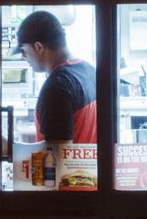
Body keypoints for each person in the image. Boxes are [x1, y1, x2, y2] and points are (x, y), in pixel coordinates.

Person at [17, 10, 97, 146]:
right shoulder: (90, 71)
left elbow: (57, 156)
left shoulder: (57, 87)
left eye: (24, 50)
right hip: (89, 167)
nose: (23, 57)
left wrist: (11, 148)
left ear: (38, 47)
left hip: (68, 168)